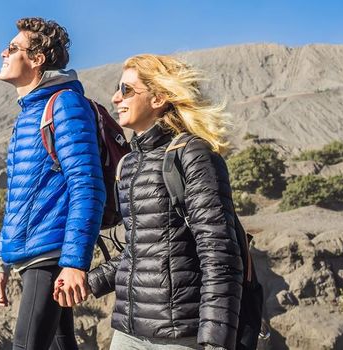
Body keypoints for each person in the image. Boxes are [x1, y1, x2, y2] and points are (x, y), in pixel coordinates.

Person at [85, 54, 244, 350]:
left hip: (179, 336)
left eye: (127, 90)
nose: (115, 97)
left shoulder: (193, 155)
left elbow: (218, 252)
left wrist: (215, 340)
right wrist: (91, 281)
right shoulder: (130, 164)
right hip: (127, 331)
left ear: (158, 98)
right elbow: (141, 250)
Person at [0, 17, 106, 350]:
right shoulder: (29, 113)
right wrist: (1, 262)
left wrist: (73, 262)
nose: (2, 53)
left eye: (12, 48)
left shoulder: (64, 104)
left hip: (49, 257)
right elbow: (19, 200)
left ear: (37, 59)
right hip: (32, 257)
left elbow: (88, 186)